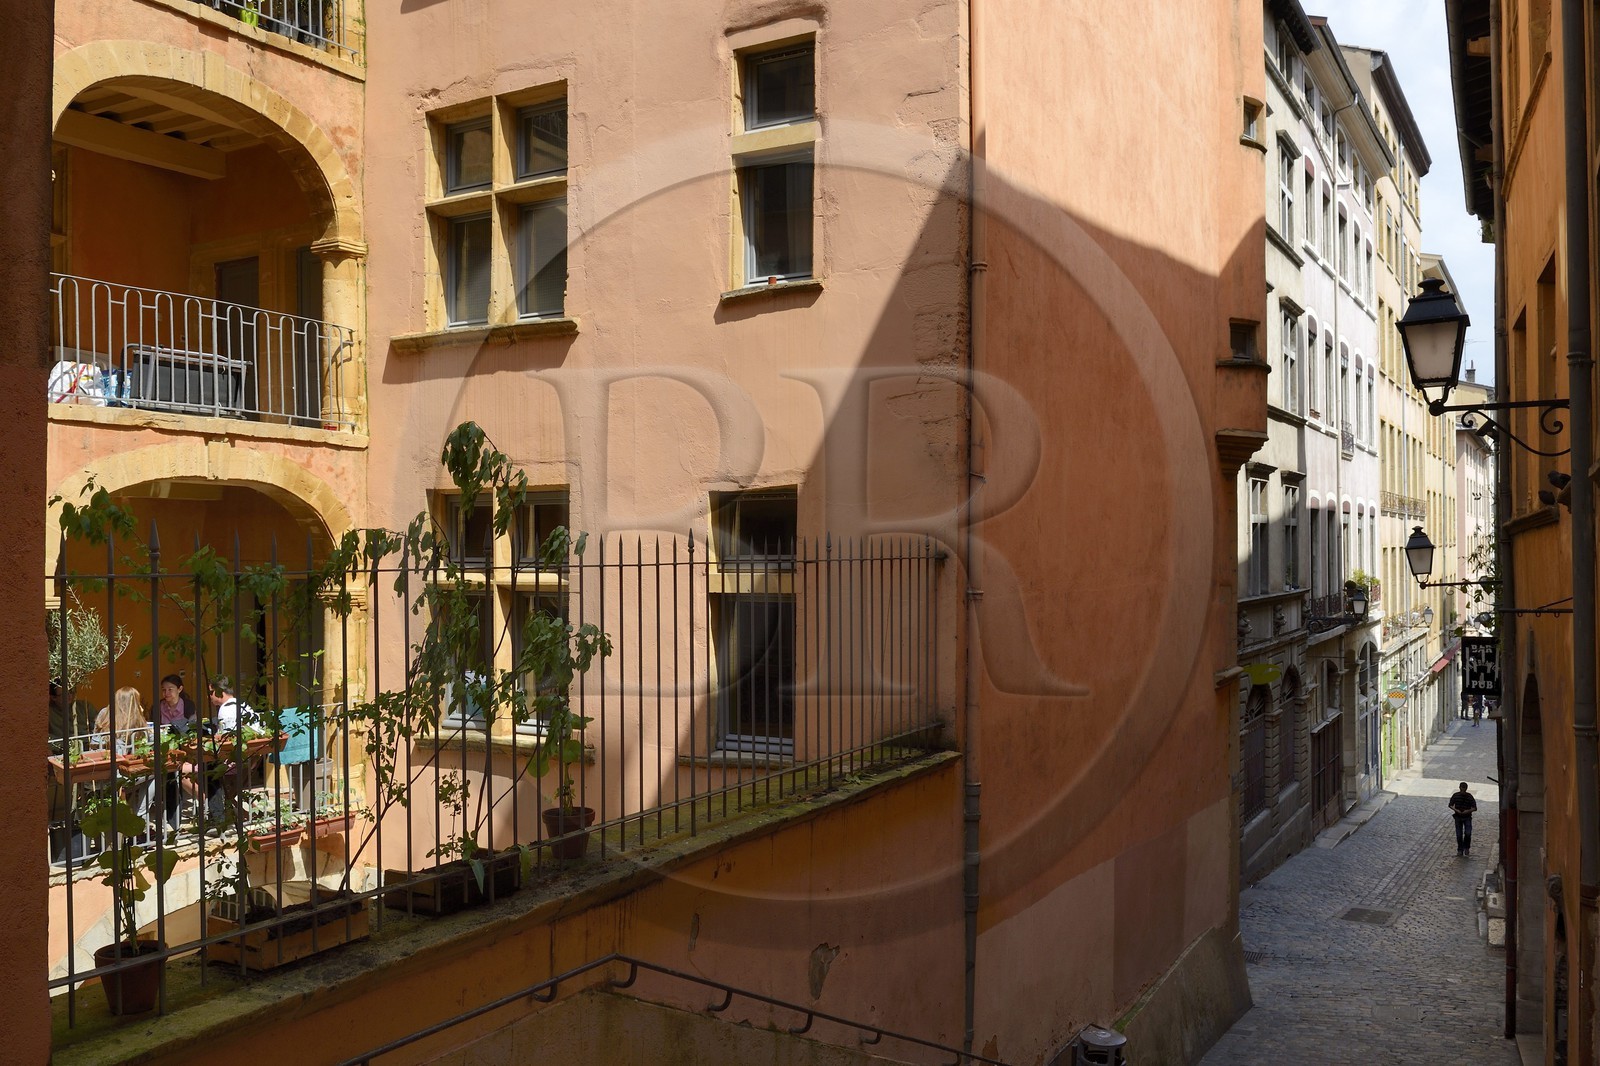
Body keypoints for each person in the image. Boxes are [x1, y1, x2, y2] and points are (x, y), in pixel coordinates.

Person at [1449, 781, 1479, 857]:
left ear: (1466, 789)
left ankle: (1466, 848)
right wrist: (1456, 810)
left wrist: (1467, 811)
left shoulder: (1469, 796)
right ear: (1459, 788)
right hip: (1458, 817)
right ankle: (1460, 849)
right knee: (1459, 834)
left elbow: (1475, 808)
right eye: (1462, 789)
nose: (1463, 791)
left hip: (1467, 817)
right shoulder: (1455, 795)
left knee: (1468, 833)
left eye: (1464, 789)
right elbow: (1450, 805)